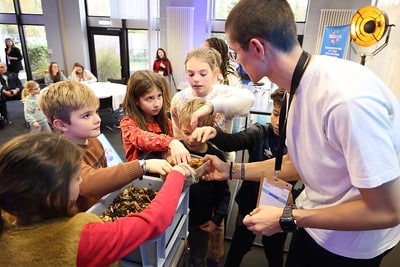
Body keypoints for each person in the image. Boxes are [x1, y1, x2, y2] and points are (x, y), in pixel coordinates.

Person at [201, 1, 400, 267]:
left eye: (236, 51)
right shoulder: (297, 86)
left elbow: (387, 210)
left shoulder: (346, 100)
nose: (236, 61)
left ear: (258, 47)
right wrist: (229, 170)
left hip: (349, 248)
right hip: (313, 224)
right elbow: (299, 164)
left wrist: (289, 217)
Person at [0, 132, 196, 266]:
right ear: (53, 198)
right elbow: (155, 220)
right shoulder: (83, 239)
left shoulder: (9, 222)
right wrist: (177, 174)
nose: (81, 182)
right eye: (78, 178)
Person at [39, 80, 173, 212]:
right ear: (61, 125)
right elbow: (89, 183)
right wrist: (142, 165)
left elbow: (105, 175)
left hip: (101, 206)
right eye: (86, 116)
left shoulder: (95, 141)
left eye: (96, 112)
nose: (98, 119)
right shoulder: (63, 155)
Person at [193, 88, 290, 267]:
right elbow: (233, 142)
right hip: (249, 204)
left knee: (274, 251)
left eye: (285, 118)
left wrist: (295, 199)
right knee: (238, 246)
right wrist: (215, 133)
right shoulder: (260, 132)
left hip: (279, 209)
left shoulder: (297, 144)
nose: (277, 122)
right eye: (275, 114)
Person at [174, 98, 230, 267]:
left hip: (201, 222)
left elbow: (224, 194)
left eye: (196, 134)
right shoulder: (175, 151)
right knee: (174, 255)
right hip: (175, 218)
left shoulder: (217, 158)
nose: (190, 139)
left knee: (198, 257)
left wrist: (216, 219)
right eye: (186, 132)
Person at [170, 47, 254, 140]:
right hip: (190, 154)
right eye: (191, 74)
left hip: (221, 153)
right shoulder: (179, 99)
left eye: (203, 74)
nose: (196, 79)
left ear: (214, 73)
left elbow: (249, 99)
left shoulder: (224, 93)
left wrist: (211, 107)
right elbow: (178, 135)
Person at [120, 70, 191, 164]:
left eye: (159, 96)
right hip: (141, 174)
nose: (157, 104)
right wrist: (170, 142)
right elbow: (142, 139)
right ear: (136, 100)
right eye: (150, 98)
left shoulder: (165, 121)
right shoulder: (127, 123)